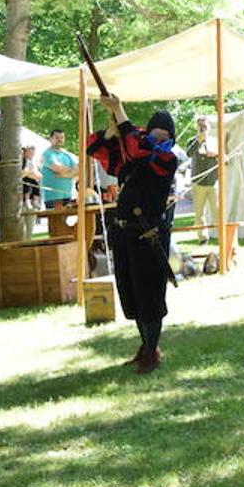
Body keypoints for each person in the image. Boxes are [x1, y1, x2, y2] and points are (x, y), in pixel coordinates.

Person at [89, 94, 178, 374]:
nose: (159, 138)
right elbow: (99, 149)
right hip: (125, 233)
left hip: (149, 235)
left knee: (150, 295)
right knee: (132, 293)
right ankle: (146, 346)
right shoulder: (131, 155)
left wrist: (119, 108)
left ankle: (152, 350)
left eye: (164, 135)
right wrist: (110, 131)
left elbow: (137, 146)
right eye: (155, 133)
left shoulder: (166, 159)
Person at [185, 116, 219, 243]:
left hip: (213, 181)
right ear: (196, 127)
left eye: (204, 126)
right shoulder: (192, 141)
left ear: (209, 126)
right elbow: (188, 153)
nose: (202, 128)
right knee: (199, 213)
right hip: (198, 181)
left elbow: (223, 156)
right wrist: (199, 141)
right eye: (200, 126)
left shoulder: (215, 141)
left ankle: (221, 235)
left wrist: (218, 155)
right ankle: (203, 238)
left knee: (217, 210)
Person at [40, 129, 77, 209]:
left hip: (67, 194)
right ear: (50, 139)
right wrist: (70, 172)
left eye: (62, 137)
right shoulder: (47, 154)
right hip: (53, 196)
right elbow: (57, 168)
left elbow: (78, 170)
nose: (60, 139)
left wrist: (64, 175)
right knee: (56, 220)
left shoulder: (67, 155)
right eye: (57, 137)